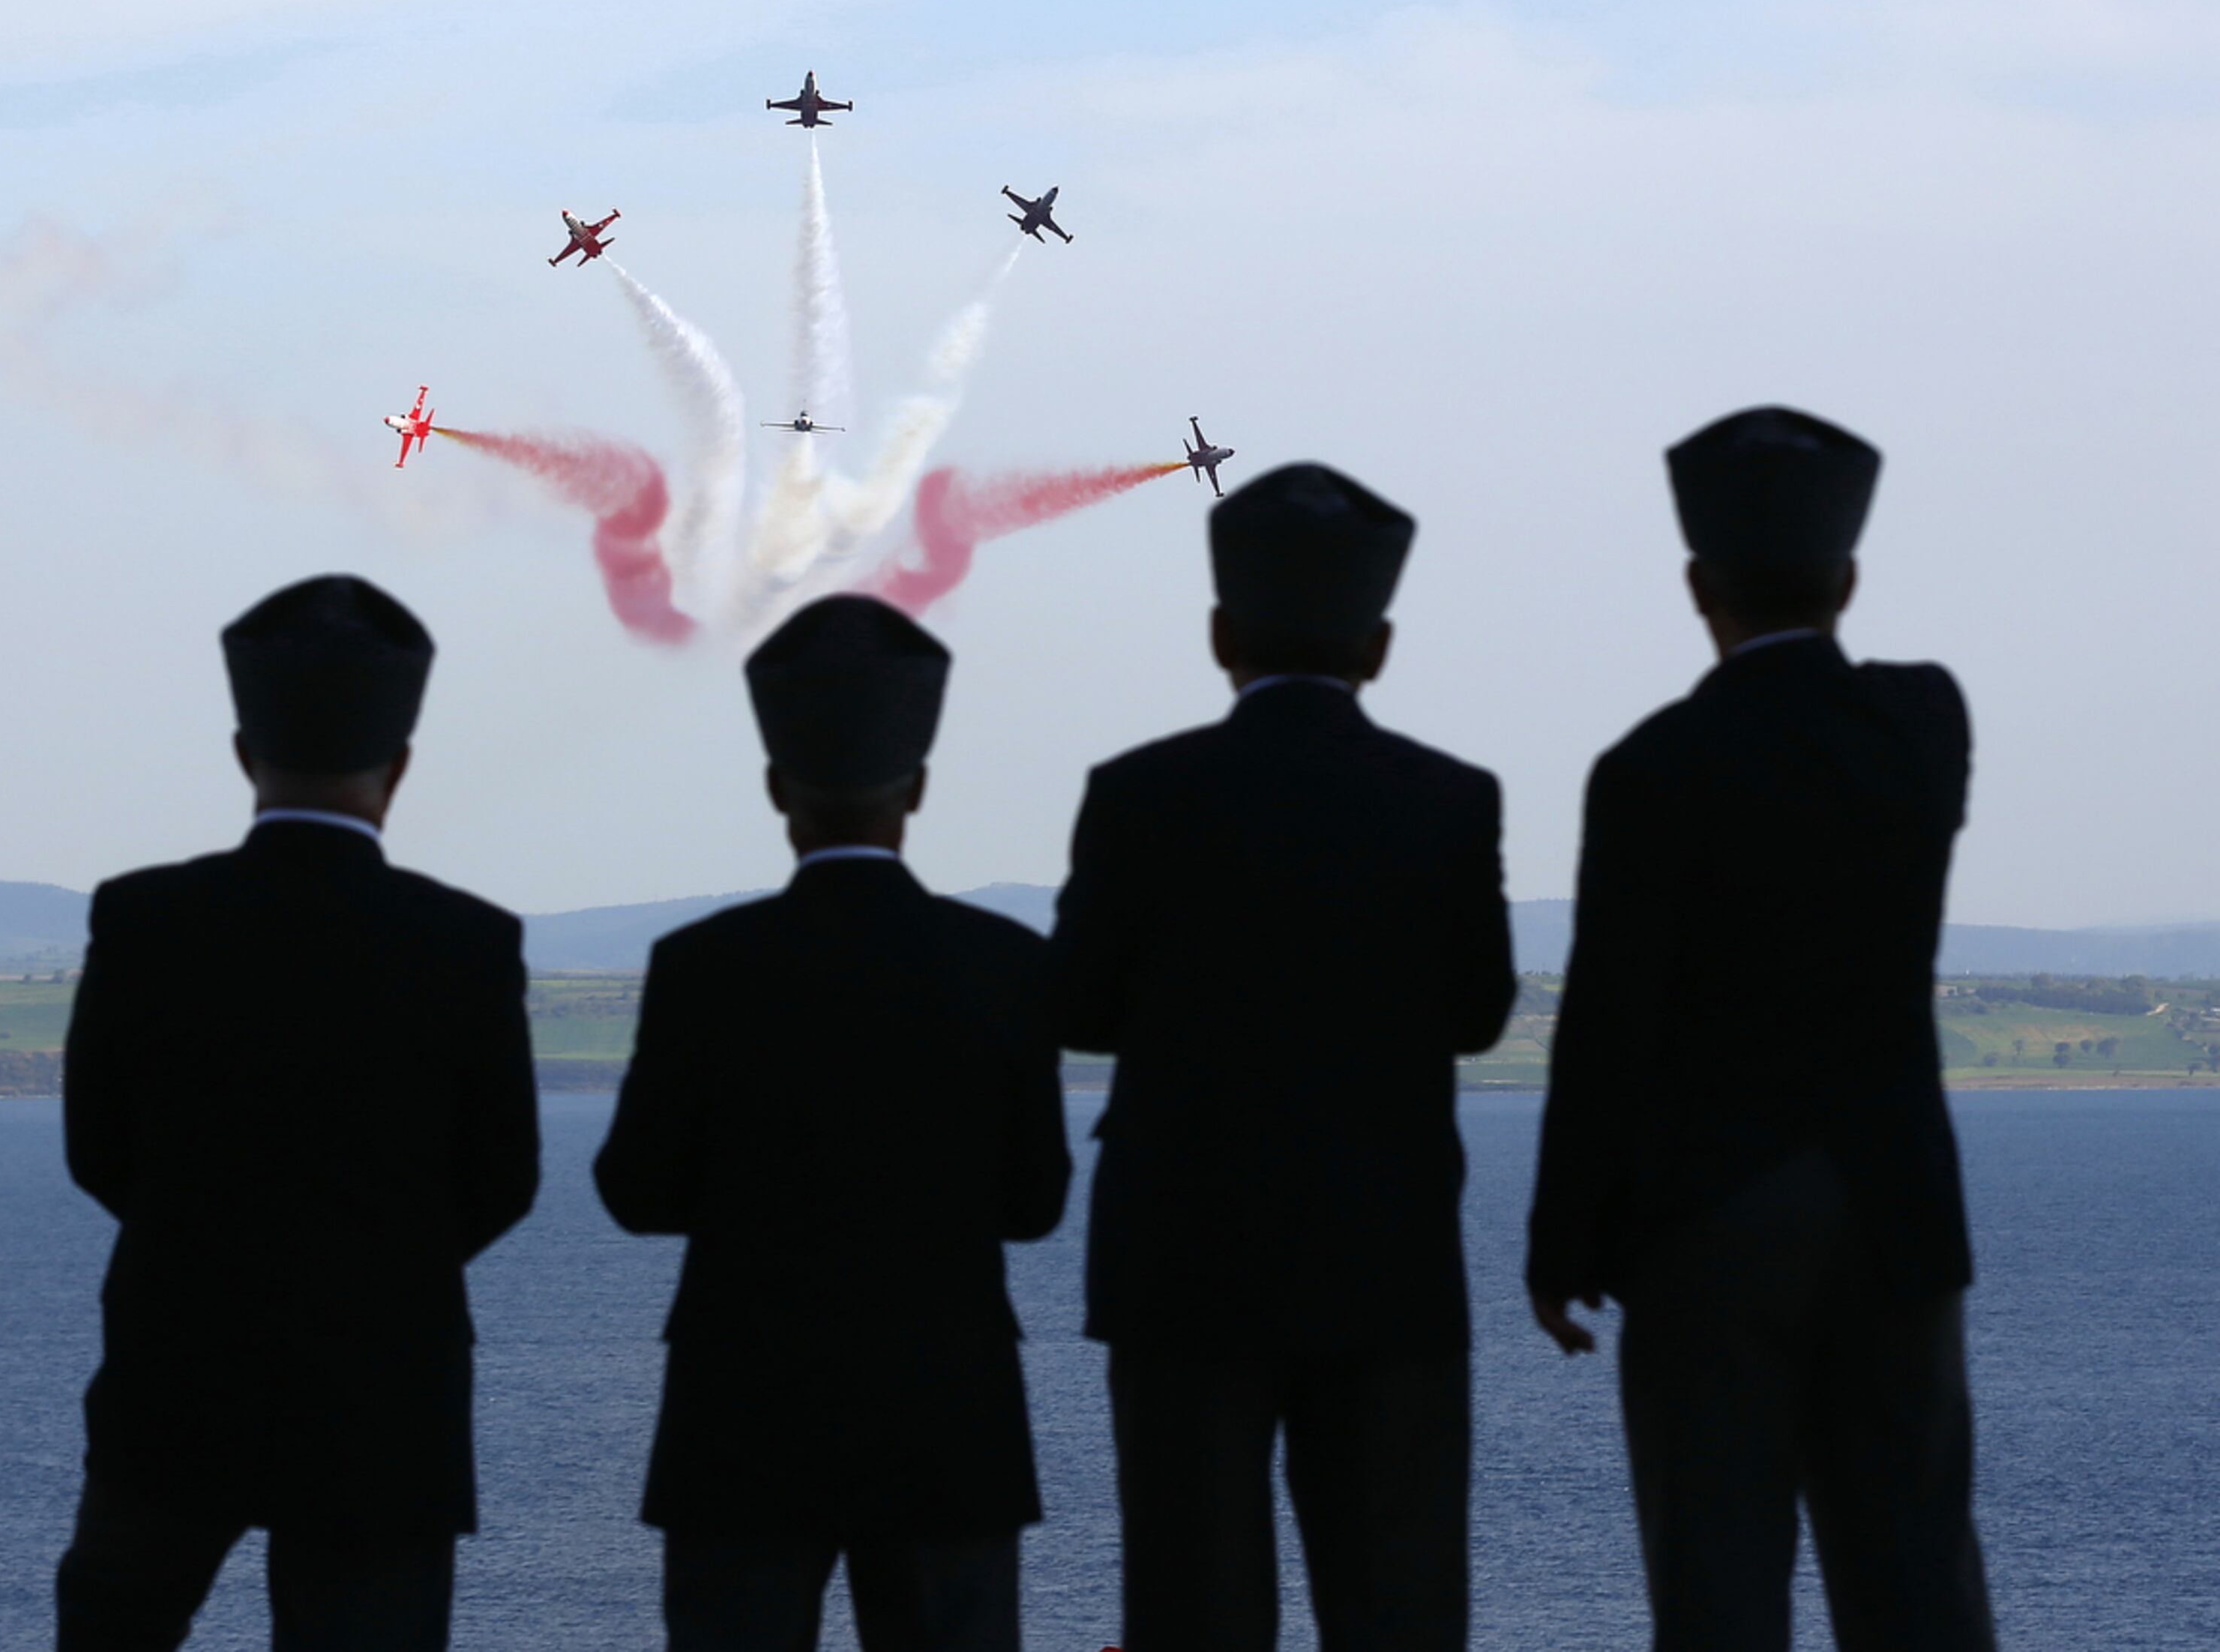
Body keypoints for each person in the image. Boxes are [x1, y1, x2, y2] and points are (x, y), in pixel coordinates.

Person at [1527, 409, 1996, 1650]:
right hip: (1893, 1201)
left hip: (1705, 1216)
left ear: (1699, 587)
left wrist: (1560, 1238)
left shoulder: (1649, 768)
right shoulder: (1919, 723)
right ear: (1848, 579)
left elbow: (1607, 1020)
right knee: (1920, 1586)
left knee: (1718, 1593)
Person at [1048, 465, 1516, 1652]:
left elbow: (1078, 1005)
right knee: (1398, 1609)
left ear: (1221, 634)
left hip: (1183, 1261)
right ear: (1379, 645)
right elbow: (1477, 1014)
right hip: (1388, 1256)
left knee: (1192, 1608)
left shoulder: (1137, 793)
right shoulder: (1451, 800)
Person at [55, 574, 540, 1652]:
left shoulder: (142, 919)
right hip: (385, 1388)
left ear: (244, 752)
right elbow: (502, 1180)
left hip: (174, 1369)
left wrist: (199, 1242)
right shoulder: (468, 942)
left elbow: (98, 1151)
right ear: (399, 765)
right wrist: (385, 1265)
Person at [595, 594, 1072, 1652]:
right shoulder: (1003, 964)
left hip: (741, 1416)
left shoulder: (701, 966)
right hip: (948, 1416)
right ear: (919, 787)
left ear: (777, 787)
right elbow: (1034, 1203)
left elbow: (636, 1191)